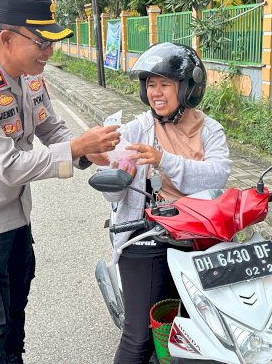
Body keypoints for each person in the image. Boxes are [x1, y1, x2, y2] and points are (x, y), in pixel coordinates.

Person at [0, 0, 120, 364]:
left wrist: (90, 153)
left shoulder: (30, 77)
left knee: (15, 312)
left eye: (51, 42)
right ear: (6, 38)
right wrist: (78, 148)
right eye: (42, 42)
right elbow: (10, 166)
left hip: (14, 218)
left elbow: (53, 129)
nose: (49, 51)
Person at [101, 42, 232, 364]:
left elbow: (216, 177)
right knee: (138, 336)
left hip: (202, 236)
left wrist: (163, 160)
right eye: (151, 84)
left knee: (220, 328)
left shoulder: (210, 130)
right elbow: (113, 193)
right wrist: (112, 167)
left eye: (165, 84)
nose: (156, 93)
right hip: (147, 235)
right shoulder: (137, 129)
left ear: (188, 88)